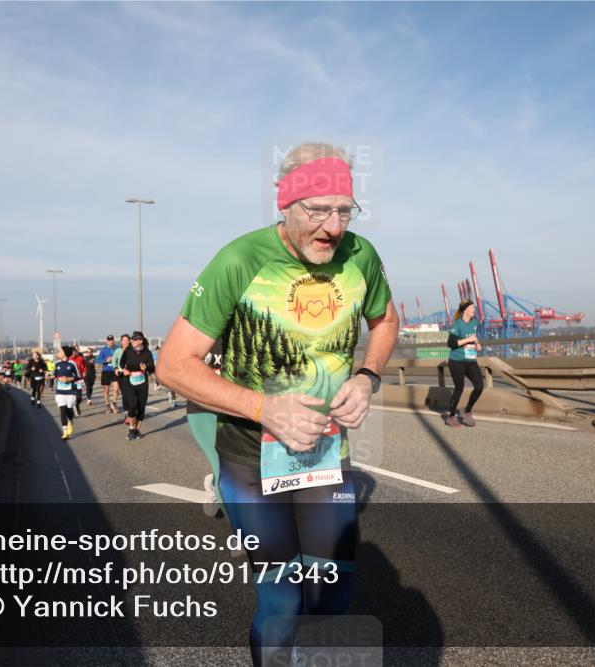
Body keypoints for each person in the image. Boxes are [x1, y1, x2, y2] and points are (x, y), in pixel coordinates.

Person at [156, 143, 398, 666]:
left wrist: (367, 375)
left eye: (344, 210)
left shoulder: (361, 256)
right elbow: (174, 365)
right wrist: (266, 410)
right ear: (285, 205)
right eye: (317, 210)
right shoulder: (240, 260)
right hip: (250, 460)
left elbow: (386, 321)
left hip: (324, 459)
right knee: (284, 600)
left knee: (331, 596)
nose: (333, 227)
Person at [444, 299, 484, 427]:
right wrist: (468, 340)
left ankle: (467, 411)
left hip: (470, 360)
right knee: (459, 389)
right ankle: (451, 417)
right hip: (456, 361)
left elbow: (474, 336)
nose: (474, 310)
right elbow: (450, 343)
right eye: (472, 308)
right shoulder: (457, 324)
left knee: (479, 386)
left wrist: (477, 343)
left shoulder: (474, 323)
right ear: (465, 310)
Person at [118, 331, 155, 440]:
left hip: (142, 381)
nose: (131, 341)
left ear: (140, 341)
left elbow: (152, 368)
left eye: (134, 339)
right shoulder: (128, 350)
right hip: (129, 380)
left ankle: (137, 430)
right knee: (132, 406)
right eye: (131, 339)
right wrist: (124, 369)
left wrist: (146, 368)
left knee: (141, 407)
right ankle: (131, 428)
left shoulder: (147, 353)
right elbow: (121, 363)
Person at [53, 345, 81, 440]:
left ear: (64, 353)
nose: (58, 352)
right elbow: (55, 375)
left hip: (70, 391)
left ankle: (70, 421)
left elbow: (78, 376)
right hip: (60, 391)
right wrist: (51, 376)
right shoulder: (56, 364)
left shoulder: (72, 364)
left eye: (60, 351)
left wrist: (69, 378)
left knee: (69, 410)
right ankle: (65, 431)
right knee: (62, 410)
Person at [95, 335, 118, 414]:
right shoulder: (103, 350)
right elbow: (98, 360)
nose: (111, 341)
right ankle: (107, 404)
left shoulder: (117, 348)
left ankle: (114, 403)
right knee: (106, 390)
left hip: (115, 370)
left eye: (112, 340)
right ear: (107, 341)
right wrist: (106, 360)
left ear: (113, 341)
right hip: (106, 371)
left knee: (116, 389)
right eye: (109, 340)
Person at [113, 334, 132, 416]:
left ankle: (132, 409)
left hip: (131, 374)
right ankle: (126, 411)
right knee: (124, 393)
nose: (126, 342)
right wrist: (116, 368)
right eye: (124, 340)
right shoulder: (117, 351)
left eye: (127, 340)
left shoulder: (132, 350)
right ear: (121, 342)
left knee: (131, 393)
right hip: (121, 374)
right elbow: (114, 361)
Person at [69, 347, 87, 416]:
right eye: (72, 352)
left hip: (79, 379)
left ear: (76, 352)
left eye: (75, 352)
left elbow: (85, 365)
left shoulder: (80, 358)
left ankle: (77, 405)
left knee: (79, 397)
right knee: (72, 396)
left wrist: (84, 372)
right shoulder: (68, 359)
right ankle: (71, 410)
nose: (74, 353)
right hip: (70, 380)